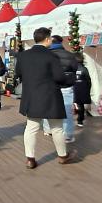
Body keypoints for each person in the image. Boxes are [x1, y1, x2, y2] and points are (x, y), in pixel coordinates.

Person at [16, 28, 77, 169]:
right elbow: (59, 77)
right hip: (50, 96)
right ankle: (62, 156)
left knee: (31, 127)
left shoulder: (23, 56)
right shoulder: (51, 57)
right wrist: (70, 79)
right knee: (56, 128)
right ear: (47, 39)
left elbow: (19, 73)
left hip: (31, 96)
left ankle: (30, 159)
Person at [49, 35, 79, 143]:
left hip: (51, 87)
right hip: (67, 86)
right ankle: (68, 135)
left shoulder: (47, 55)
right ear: (61, 43)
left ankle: (49, 130)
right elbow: (75, 68)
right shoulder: (70, 55)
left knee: (50, 109)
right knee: (67, 112)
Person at [72, 52, 92, 127]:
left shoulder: (72, 68)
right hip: (82, 89)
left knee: (75, 104)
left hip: (73, 89)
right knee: (80, 105)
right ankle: (80, 120)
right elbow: (88, 80)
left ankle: (75, 120)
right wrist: (88, 89)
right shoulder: (84, 69)